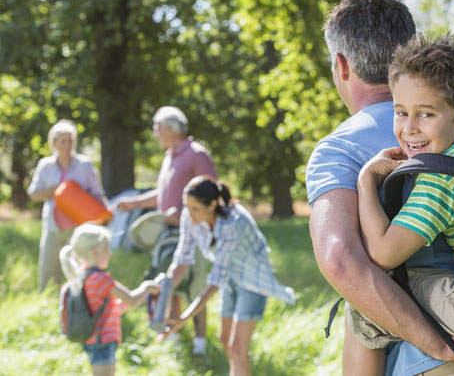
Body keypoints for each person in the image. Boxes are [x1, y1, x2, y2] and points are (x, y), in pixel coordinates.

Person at [306, 0, 454, 376]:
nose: (409, 129)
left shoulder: (342, 149)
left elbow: (341, 260)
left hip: (440, 355)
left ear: (341, 65)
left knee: (360, 305)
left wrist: (435, 344)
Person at [349, 33, 454, 373]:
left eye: (426, 114)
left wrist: (365, 180)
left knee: (376, 292)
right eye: (401, 112)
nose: (409, 129)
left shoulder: (440, 180)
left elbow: (382, 253)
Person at [157, 175, 295, 376]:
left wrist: (184, 318)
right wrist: (164, 290)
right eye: (187, 206)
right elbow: (182, 260)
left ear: (213, 204)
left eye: (195, 208)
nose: (189, 213)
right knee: (226, 341)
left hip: (252, 279)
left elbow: (215, 281)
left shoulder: (234, 222)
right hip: (229, 278)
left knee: (238, 347)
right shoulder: (190, 217)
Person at [114, 106, 217, 354]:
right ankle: (174, 337)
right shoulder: (170, 155)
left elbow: (211, 195)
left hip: (195, 234)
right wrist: (135, 204)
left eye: (157, 128)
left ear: (171, 129)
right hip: (168, 235)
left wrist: (183, 214)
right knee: (171, 284)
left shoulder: (196, 154)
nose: (154, 133)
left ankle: (200, 344)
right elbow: (164, 194)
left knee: (196, 285)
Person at [59, 224, 159, 376]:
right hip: (103, 341)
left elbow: (110, 309)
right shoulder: (101, 279)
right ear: (94, 252)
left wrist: (141, 295)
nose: (110, 253)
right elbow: (132, 300)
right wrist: (146, 288)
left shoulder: (84, 277)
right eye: (106, 248)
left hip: (93, 340)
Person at [28, 119, 109, 293]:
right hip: (53, 226)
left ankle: (82, 302)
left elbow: (97, 193)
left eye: (70, 140)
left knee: (81, 269)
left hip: (80, 226)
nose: (67, 145)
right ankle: (48, 304)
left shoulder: (85, 165)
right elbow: (34, 194)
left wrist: (107, 215)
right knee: (49, 270)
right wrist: (60, 191)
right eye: (63, 141)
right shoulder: (45, 166)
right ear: (54, 143)